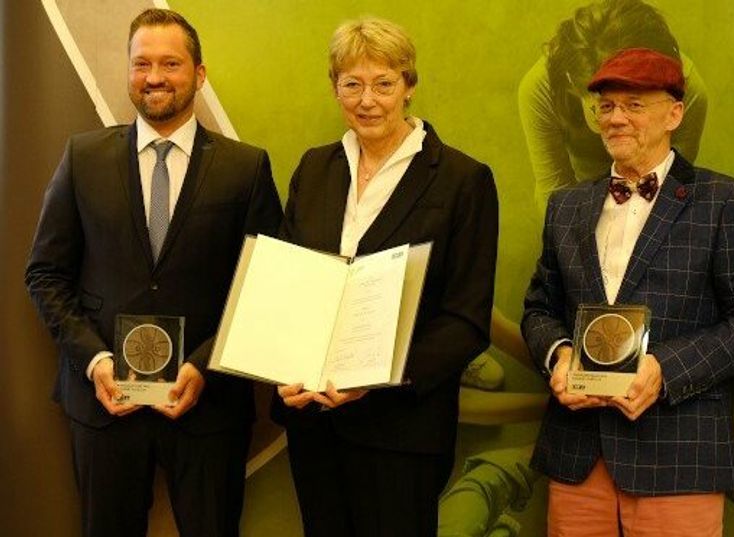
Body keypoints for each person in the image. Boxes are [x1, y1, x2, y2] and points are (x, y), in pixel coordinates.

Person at [25, 9, 282, 537]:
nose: (155, 76)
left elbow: (266, 284)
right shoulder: (83, 157)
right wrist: (95, 361)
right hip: (104, 405)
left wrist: (205, 366)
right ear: (128, 71)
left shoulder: (246, 167)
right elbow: (45, 274)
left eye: (170, 63)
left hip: (208, 406)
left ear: (199, 74)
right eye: (141, 63)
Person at [521, 47, 734, 536]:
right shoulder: (566, 206)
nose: (616, 118)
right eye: (606, 106)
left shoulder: (725, 200)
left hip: (679, 454)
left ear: (675, 113)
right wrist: (558, 355)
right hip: (578, 453)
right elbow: (539, 306)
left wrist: (664, 370)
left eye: (634, 104)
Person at [270, 17, 498, 537]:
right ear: (335, 89)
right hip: (313, 423)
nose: (367, 100)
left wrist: (380, 377)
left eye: (383, 84)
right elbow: (288, 284)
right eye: (352, 84)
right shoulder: (316, 167)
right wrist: (282, 363)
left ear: (409, 86)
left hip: (402, 433)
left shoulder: (464, 180)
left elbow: (466, 320)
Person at [518, 0, 707, 215]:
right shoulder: (541, 88)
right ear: (573, 85)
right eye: (604, 106)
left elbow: (668, 187)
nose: (620, 120)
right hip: (583, 197)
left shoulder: (687, 89)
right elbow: (555, 194)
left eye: (636, 105)